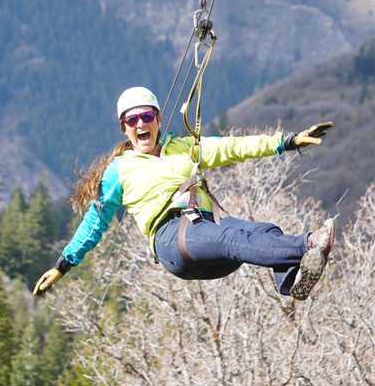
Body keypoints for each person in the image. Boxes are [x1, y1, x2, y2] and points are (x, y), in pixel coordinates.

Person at [32, 86, 336, 300]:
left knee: (265, 231)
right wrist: (63, 265)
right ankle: (308, 245)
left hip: (206, 230)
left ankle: (291, 280)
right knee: (233, 238)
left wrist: (288, 141)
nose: (141, 124)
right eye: (132, 120)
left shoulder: (184, 148)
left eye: (146, 117)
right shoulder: (119, 169)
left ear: (158, 120)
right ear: (124, 128)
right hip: (172, 239)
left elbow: (234, 147)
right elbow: (95, 222)